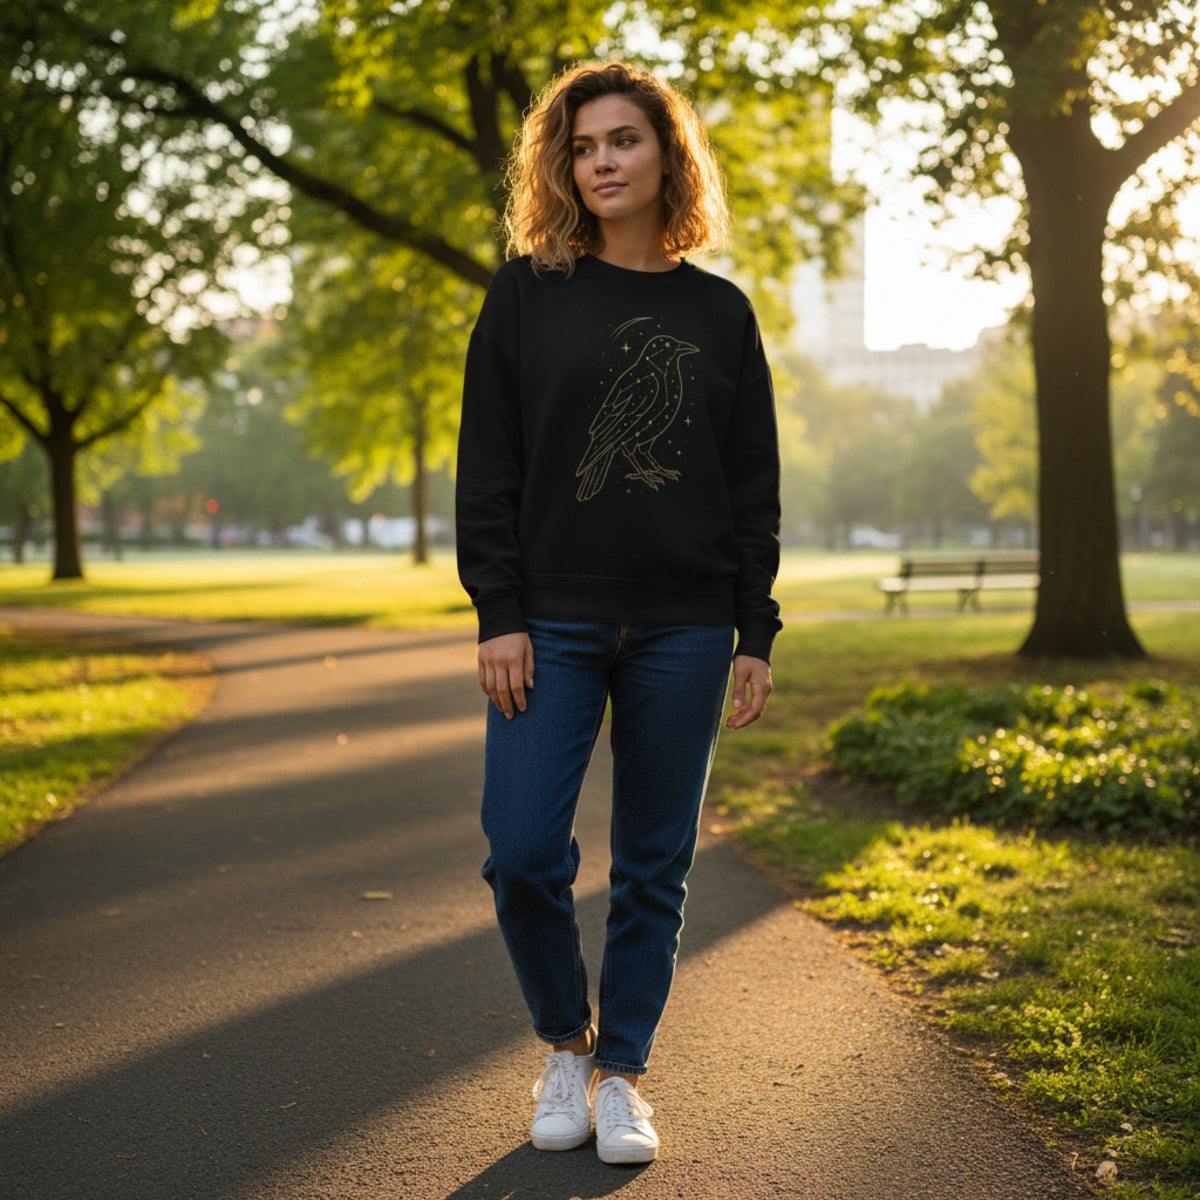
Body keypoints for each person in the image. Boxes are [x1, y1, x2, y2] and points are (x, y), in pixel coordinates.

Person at [455, 60, 781, 1165]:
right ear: (564, 161)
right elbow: (487, 468)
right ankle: (564, 1038)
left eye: (623, 141)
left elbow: (751, 487)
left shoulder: (720, 314)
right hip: (549, 622)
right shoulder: (523, 296)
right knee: (523, 851)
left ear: (666, 154)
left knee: (656, 864)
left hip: (687, 628)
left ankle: (621, 1073)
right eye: (584, 145)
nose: (601, 161)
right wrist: (498, 611)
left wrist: (756, 631)